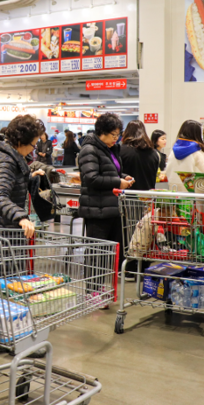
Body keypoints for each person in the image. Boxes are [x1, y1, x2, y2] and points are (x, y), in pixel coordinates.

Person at [0, 114, 46, 355]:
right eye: (34, 143)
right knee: (10, 289)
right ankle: (17, 342)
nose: (35, 148)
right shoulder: (7, 162)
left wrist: (29, 176)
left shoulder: (6, 155)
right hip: (1, 234)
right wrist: (21, 216)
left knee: (0, 290)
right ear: (22, 142)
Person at [79, 113, 134, 290]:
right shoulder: (89, 149)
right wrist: (118, 182)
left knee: (110, 253)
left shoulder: (111, 149)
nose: (116, 138)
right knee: (96, 252)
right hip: (97, 210)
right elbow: (92, 179)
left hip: (113, 208)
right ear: (102, 132)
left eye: (118, 135)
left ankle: (103, 287)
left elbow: (113, 173)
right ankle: (92, 289)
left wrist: (123, 177)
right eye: (113, 134)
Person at [164, 120, 204, 192]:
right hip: (191, 197)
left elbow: (168, 172)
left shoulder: (172, 152)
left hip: (174, 195)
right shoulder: (197, 153)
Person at [120, 120, 159, 191]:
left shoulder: (120, 150)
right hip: (148, 196)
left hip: (126, 196)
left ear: (126, 133)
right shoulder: (153, 153)